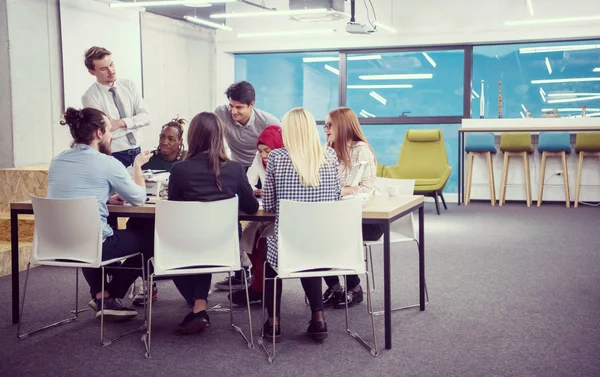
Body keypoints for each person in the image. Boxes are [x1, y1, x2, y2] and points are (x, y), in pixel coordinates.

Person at [47, 107, 153, 320]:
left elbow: (72, 196)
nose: (112, 135)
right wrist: (137, 167)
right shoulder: (107, 162)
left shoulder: (57, 161)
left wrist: (105, 199)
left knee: (91, 234)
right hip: (93, 244)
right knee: (151, 240)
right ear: (98, 133)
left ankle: (102, 296)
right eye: (109, 130)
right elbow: (139, 198)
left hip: (58, 244)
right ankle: (110, 297)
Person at [167, 112, 259, 335]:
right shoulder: (235, 169)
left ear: (192, 137)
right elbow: (252, 208)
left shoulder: (179, 170)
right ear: (220, 137)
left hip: (185, 244)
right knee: (205, 241)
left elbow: (174, 207)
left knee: (180, 244)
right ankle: (198, 306)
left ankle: (198, 305)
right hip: (224, 244)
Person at [261, 107, 341, 342]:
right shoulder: (329, 155)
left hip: (289, 243)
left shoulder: (277, 157)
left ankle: (274, 323)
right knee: (309, 254)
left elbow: (269, 205)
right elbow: (336, 198)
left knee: (270, 263)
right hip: (322, 244)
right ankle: (318, 318)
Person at [213, 81, 280, 291]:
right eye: (231, 105)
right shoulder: (220, 113)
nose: (233, 111)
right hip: (235, 168)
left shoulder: (268, 120)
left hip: (264, 163)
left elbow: (281, 148)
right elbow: (213, 140)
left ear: (252, 105)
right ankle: (239, 270)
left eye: (239, 107)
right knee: (231, 214)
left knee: (260, 210)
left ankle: (259, 271)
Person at [322, 107, 382, 309]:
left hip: (361, 218)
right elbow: (323, 185)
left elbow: (367, 190)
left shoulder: (361, 149)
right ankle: (335, 286)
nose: (325, 129)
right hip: (332, 212)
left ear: (343, 126)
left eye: (329, 125)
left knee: (330, 234)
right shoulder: (328, 150)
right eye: (325, 125)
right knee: (313, 234)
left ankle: (354, 287)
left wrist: (342, 193)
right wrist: (343, 191)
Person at [127, 117, 187, 307]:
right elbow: (132, 184)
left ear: (180, 142)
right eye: (162, 137)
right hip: (148, 211)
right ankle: (146, 282)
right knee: (137, 227)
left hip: (176, 214)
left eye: (170, 138)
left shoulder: (187, 160)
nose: (164, 142)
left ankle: (191, 287)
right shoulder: (148, 159)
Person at [230, 125, 283, 306]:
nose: (263, 155)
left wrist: (263, 192)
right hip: (267, 211)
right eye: (260, 151)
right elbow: (247, 182)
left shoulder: (285, 160)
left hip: (284, 218)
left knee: (260, 238)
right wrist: (257, 191)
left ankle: (260, 286)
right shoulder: (259, 159)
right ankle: (258, 284)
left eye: (267, 150)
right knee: (250, 231)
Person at [81, 46, 151, 168]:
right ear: (92, 72)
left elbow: (146, 117)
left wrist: (120, 123)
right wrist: (134, 121)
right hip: (114, 155)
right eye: (104, 68)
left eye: (111, 64)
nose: (111, 71)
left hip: (138, 152)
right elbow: (104, 131)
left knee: (141, 186)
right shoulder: (90, 97)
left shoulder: (129, 85)